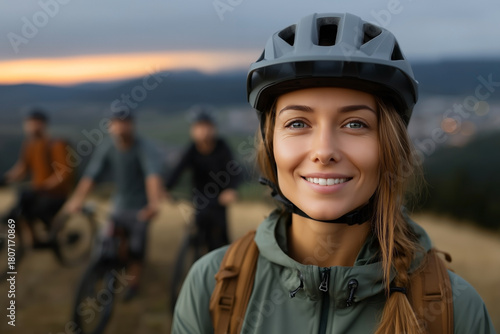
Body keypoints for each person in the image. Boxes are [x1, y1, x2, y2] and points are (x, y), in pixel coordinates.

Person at [171, 13, 495, 334]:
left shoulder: (456, 311)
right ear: (270, 146)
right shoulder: (212, 286)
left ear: (389, 147)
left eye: (355, 124)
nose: (324, 151)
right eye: (298, 123)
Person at [64, 110, 163, 300]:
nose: (120, 127)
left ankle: (133, 284)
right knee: (104, 240)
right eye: (116, 122)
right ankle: (99, 274)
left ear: (132, 125)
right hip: (118, 204)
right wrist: (77, 200)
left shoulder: (143, 147)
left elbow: (152, 175)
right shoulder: (108, 147)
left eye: (124, 122)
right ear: (110, 126)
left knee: (136, 248)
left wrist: (153, 204)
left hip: (140, 207)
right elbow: (91, 176)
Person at [165, 107, 240, 252]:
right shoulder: (192, 149)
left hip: (219, 200)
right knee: (197, 231)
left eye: (206, 126)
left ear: (213, 128)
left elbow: (234, 171)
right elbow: (178, 171)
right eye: (199, 127)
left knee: (220, 239)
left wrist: (231, 190)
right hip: (199, 198)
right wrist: (166, 188)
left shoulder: (222, 147)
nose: (203, 131)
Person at [2, 109, 74, 245]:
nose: (32, 127)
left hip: (55, 194)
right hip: (38, 192)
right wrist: (5, 179)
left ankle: (50, 236)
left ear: (44, 124)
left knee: (33, 211)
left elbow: (63, 173)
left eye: (36, 123)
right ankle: (30, 242)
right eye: (29, 123)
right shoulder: (29, 145)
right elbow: (22, 168)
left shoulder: (56, 144)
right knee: (15, 213)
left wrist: (44, 185)